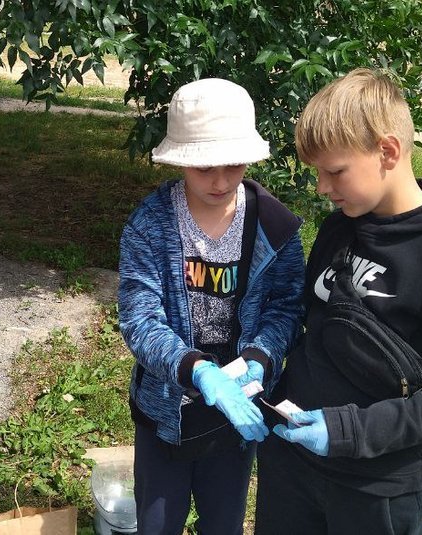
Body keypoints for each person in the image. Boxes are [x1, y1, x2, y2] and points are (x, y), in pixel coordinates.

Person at [255, 68, 422, 534]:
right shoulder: (339, 227)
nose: (322, 187)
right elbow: (312, 322)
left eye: (335, 171)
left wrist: (349, 432)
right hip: (293, 463)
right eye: (318, 173)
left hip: (376, 488)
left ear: (387, 151)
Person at [118, 78, 305, 534]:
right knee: (157, 522)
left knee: (223, 520)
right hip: (167, 407)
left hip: (238, 407)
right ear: (181, 160)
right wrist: (197, 370)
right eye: (204, 168)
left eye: (233, 165)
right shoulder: (150, 224)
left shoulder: (275, 228)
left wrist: (261, 356)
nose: (221, 181)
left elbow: (286, 307)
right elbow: (139, 318)